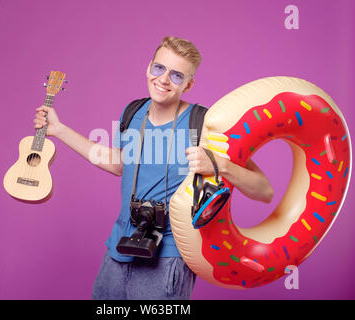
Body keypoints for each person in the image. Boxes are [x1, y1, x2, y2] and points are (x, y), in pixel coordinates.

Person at [34, 36, 274, 300]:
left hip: (168, 259)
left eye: (176, 75)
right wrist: (59, 130)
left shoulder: (204, 123)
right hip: (118, 251)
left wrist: (220, 164)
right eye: (159, 68)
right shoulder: (132, 112)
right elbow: (119, 164)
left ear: (189, 84)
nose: (163, 80)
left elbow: (264, 191)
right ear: (148, 67)